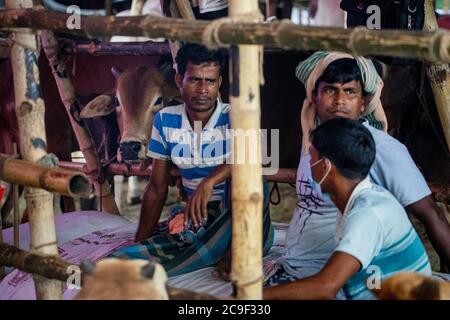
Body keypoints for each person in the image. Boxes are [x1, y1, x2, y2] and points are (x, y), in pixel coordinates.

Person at [263, 51, 450, 294]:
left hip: (333, 272)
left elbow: (430, 215)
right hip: (303, 263)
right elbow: (310, 178)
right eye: (330, 90)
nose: (340, 100)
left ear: (363, 102)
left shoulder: (379, 152)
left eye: (350, 92)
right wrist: (262, 172)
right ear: (314, 97)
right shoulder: (317, 143)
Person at [110, 43, 274, 277]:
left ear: (219, 83)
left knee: (252, 177)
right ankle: (214, 250)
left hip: (244, 221)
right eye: (195, 80)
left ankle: (237, 251)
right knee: (120, 262)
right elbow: (156, 189)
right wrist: (140, 242)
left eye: (210, 81)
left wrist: (209, 182)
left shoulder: (236, 115)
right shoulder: (165, 119)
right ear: (179, 80)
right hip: (198, 222)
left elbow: (258, 157)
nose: (202, 90)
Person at [263, 118, 432, 299]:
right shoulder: (360, 200)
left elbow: (325, 288)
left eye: (310, 156)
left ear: (325, 165)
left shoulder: (367, 214)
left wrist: (246, 297)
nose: (307, 165)